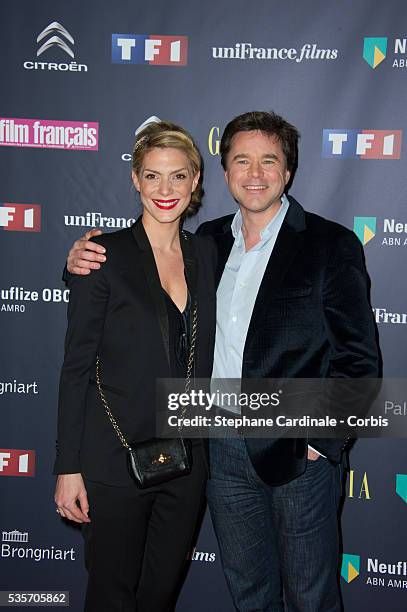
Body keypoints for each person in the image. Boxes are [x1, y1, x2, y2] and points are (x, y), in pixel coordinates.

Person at [66, 111, 380, 611]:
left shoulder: (329, 244)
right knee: (250, 594)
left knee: (310, 596)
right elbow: (140, 262)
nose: (254, 174)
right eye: (241, 161)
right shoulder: (208, 243)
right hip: (217, 452)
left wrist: (321, 444)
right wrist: (81, 256)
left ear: (288, 171)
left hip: (297, 455)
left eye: (268, 161)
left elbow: (359, 359)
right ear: (224, 172)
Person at [54, 119, 217, 612]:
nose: (165, 190)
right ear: (134, 180)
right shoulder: (102, 256)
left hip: (186, 463)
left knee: (158, 597)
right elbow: (75, 368)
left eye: (177, 176)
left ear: (195, 180)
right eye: (152, 176)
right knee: (111, 597)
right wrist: (68, 468)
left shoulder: (208, 252)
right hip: (113, 461)